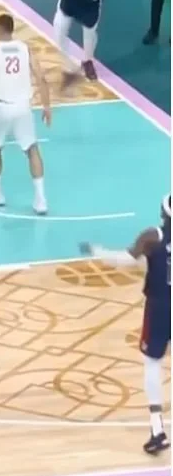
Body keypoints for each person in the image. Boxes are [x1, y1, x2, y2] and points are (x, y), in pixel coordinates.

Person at [80, 195, 171, 456]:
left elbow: (126, 260)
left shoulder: (152, 237)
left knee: (153, 364)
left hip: (160, 307)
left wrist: (96, 251)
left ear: (164, 214)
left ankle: (157, 429)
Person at [0, 13, 51, 215]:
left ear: (0, 29)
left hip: (2, 107)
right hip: (23, 107)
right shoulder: (25, 48)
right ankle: (40, 199)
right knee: (32, 150)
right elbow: (41, 78)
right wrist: (47, 106)